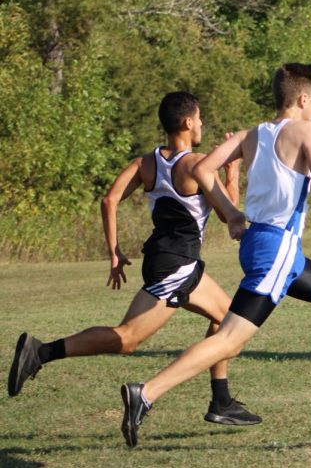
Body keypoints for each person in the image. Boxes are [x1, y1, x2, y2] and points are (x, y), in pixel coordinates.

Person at [119, 63, 311, 448]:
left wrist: (234, 216)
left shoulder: (251, 134)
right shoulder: (307, 130)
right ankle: (147, 393)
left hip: (269, 246)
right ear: (304, 98)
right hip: (276, 250)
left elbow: (205, 168)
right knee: (228, 338)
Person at [7, 92, 261, 426]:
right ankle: (41, 352)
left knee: (228, 320)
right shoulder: (197, 165)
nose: (201, 124)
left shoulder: (146, 163)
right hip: (177, 266)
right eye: (199, 119)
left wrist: (114, 251)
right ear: (187, 122)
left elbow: (109, 200)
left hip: (164, 259)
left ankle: (222, 401)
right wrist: (232, 170)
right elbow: (228, 212)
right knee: (127, 339)